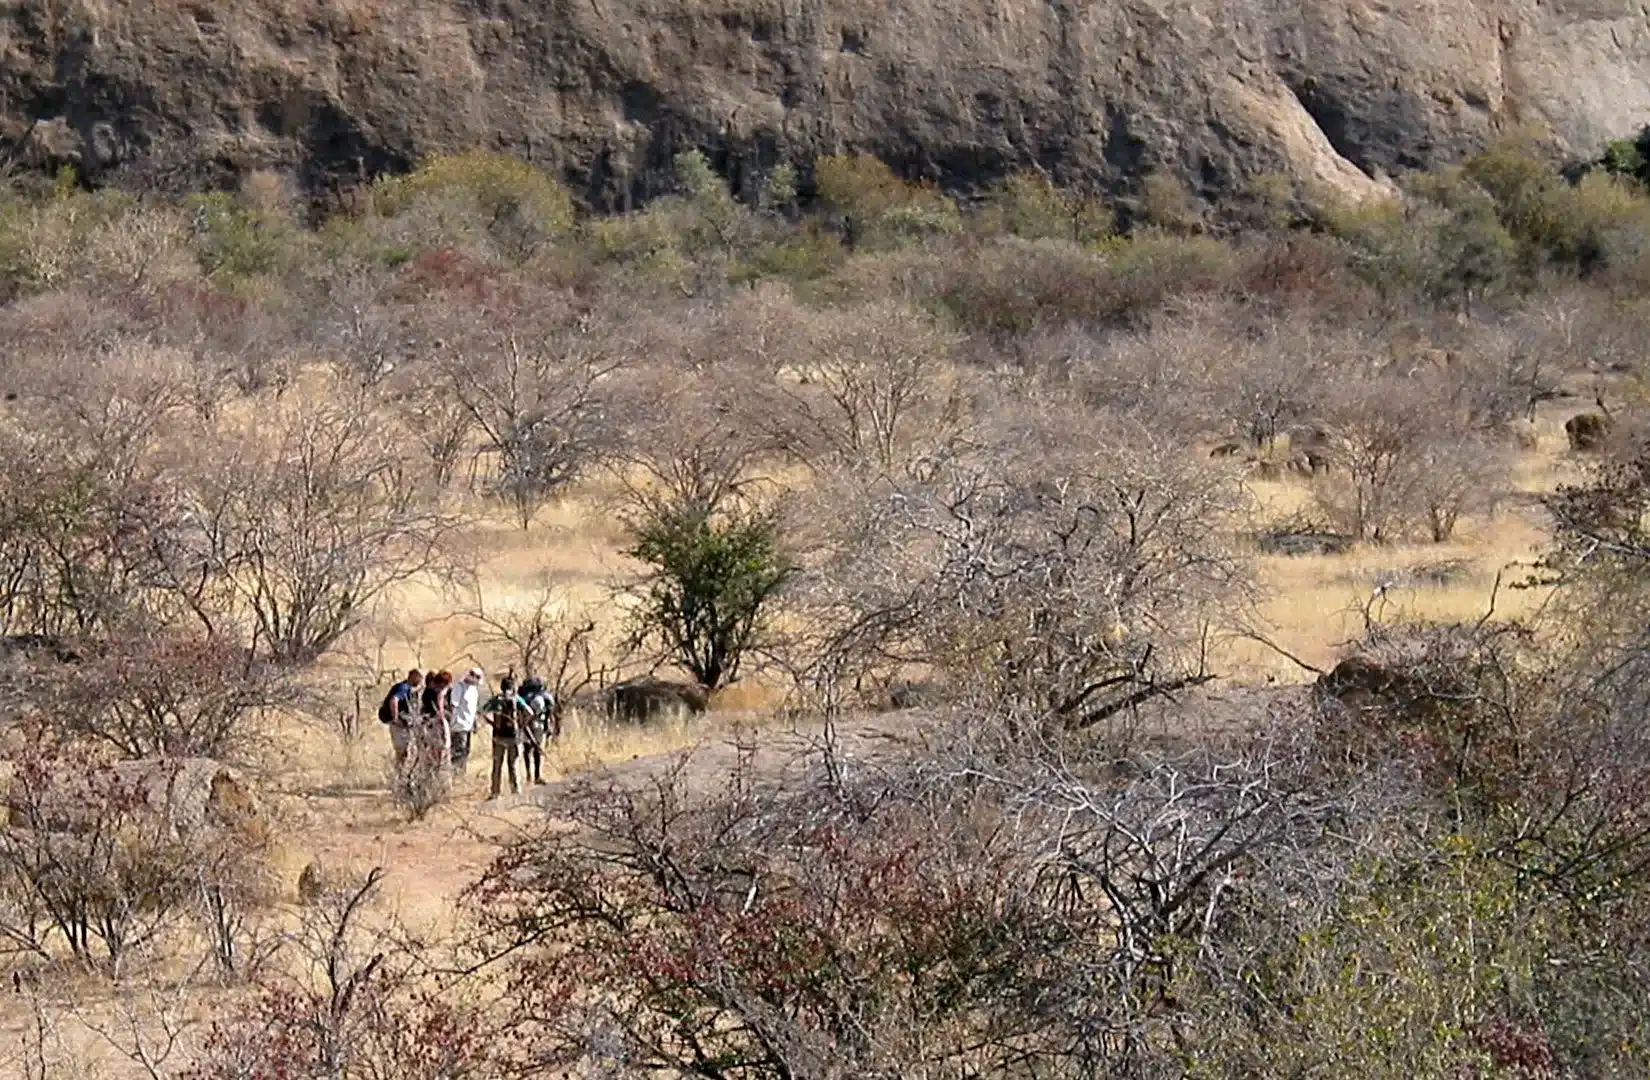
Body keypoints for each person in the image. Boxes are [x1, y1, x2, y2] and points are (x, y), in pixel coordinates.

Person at [481, 676, 527, 799]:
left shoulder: (496, 699)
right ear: (513, 687)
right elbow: (530, 712)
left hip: (498, 736)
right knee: (514, 765)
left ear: (502, 687)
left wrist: (492, 723)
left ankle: (495, 792)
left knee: (497, 765)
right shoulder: (517, 699)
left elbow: (482, 711)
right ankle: (516, 792)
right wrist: (522, 724)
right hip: (514, 737)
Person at [380, 669, 423, 767]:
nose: (420, 681)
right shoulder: (403, 688)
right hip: (398, 726)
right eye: (419, 678)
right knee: (402, 752)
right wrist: (395, 718)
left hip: (403, 724)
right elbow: (394, 700)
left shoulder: (407, 688)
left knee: (404, 752)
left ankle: (401, 774)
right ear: (413, 676)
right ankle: (399, 775)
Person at [448, 667, 484, 774]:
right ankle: (456, 773)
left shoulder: (474, 690)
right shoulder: (459, 687)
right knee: (459, 751)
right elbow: (453, 706)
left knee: (466, 751)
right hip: (459, 725)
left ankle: (462, 773)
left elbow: (473, 710)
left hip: (468, 726)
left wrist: (475, 724)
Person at [518, 676, 552, 786]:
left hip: (526, 723)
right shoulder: (543, 697)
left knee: (527, 749)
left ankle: (529, 775)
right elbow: (548, 712)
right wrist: (548, 726)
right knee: (538, 749)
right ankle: (537, 776)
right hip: (539, 724)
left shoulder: (524, 697)